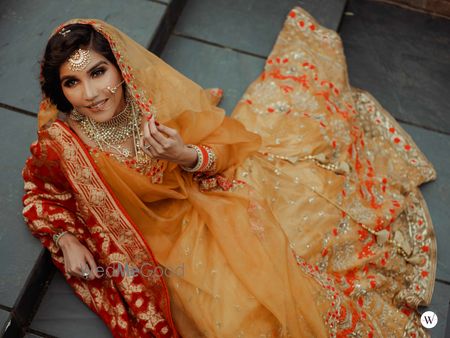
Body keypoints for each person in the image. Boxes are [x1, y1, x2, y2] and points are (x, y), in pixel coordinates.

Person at [22, 6, 437, 338]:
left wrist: (184, 154)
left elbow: (226, 153)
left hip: (213, 207)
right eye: (73, 83)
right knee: (239, 323)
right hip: (161, 254)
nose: (91, 94)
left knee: (309, 244)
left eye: (98, 72)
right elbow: (40, 193)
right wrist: (65, 237)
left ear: (120, 69)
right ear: (61, 91)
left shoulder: (154, 107)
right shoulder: (63, 145)